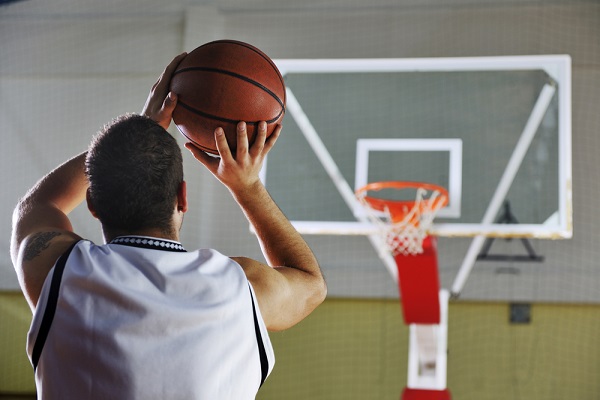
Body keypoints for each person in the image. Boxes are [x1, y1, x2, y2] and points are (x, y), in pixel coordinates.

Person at [10, 52, 327, 399]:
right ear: (182, 197)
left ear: (92, 203)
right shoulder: (241, 288)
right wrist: (247, 186)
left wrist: (141, 130)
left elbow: (39, 205)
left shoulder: (59, 270)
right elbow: (310, 284)